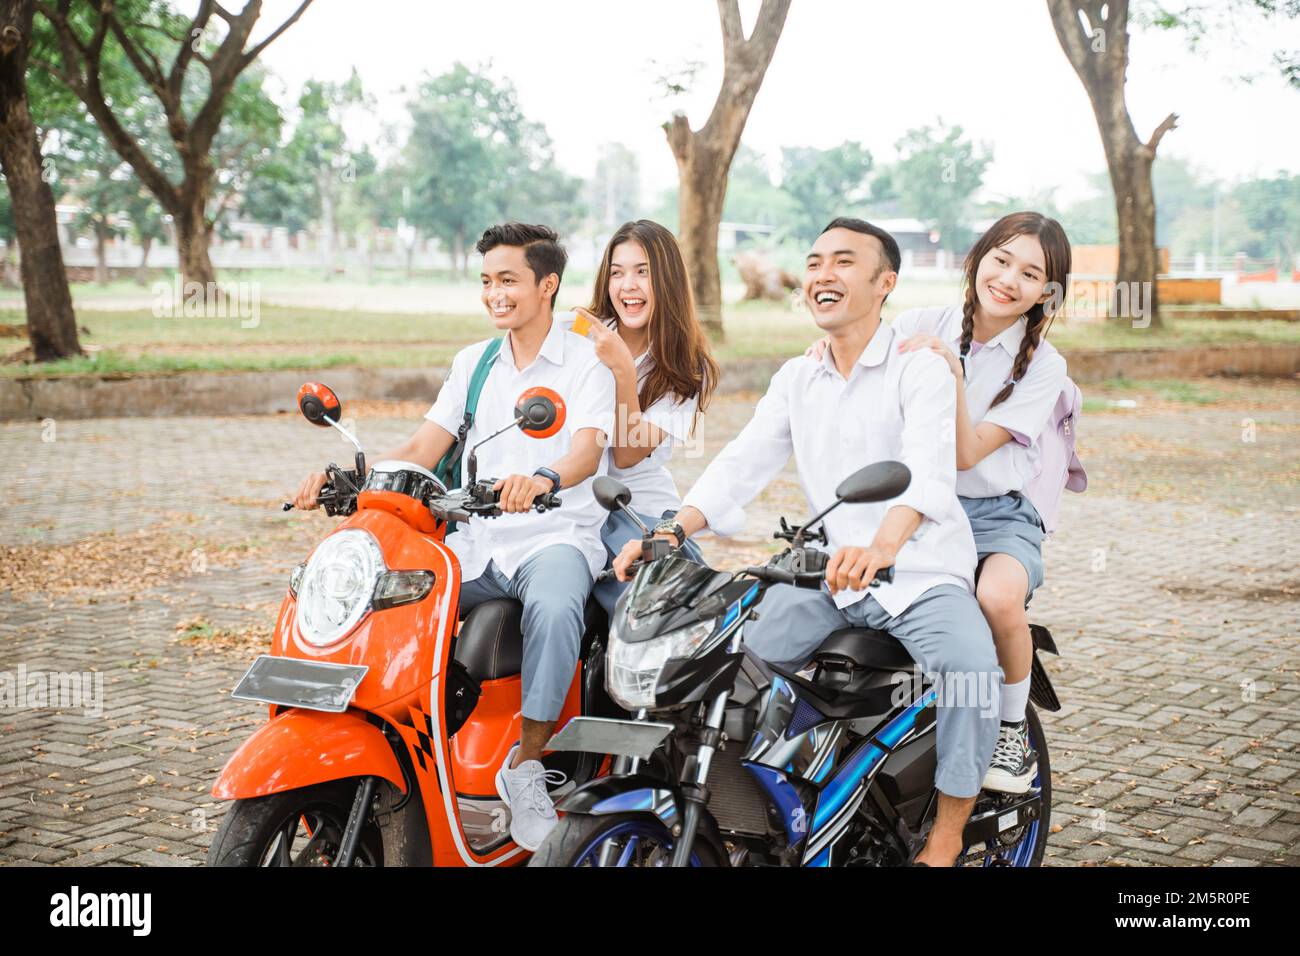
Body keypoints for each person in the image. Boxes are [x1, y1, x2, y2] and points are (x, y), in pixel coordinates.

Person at [613, 217, 1003, 867]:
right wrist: (670, 529)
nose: (824, 274)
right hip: (824, 575)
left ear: (885, 284)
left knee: (971, 674)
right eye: (816, 261)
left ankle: (945, 837)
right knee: (728, 665)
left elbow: (929, 473)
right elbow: (742, 462)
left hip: (917, 572)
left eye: (844, 262)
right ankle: (778, 808)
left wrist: (882, 545)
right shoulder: (798, 376)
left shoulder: (918, 369)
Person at [292, 222, 615, 851]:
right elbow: (423, 445)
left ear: (547, 285)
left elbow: (586, 450)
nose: (495, 294)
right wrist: (349, 479)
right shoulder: (476, 362)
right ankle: (390, 741)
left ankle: (527, 765)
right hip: (472, 540)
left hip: (554, 534)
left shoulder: (584, 362)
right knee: (385, 597)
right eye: (488, 282)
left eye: (509, 281)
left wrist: (542, 477)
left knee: (553, 607)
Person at [891, 212, 1071, 793]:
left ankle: (1012, 731)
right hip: (919, 505)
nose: (1008, 279)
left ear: (1046, 292)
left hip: (998, 516)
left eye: (1030, 273)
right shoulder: (918, 321)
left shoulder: (1044, 365)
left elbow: (967, 454)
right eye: (1000, 259)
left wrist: (950, 368)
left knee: (996, 597)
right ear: (977, 259)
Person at [566, 219, 719, 616]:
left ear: (666, 281)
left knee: (666, 608)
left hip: (636, 508)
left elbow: (627, 455)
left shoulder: (686, 366)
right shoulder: (576, 334)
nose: (627, 286)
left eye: (642, 272)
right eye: (617, 273)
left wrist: (623, 371)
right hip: (568, 500)